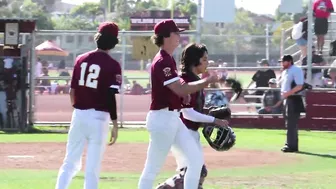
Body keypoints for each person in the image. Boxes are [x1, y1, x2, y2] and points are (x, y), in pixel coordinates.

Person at [138, 19, 219, 189]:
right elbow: (180, 89)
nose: (179, 36)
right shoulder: (162, 60)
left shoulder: (168, 59)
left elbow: (178, 90)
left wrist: (183, 97)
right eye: (176, 33)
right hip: (162, 119)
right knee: (151, 169)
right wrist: (206, 81)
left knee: (196, 162)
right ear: (166, 36)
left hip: (173, 118)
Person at [55, 22, 121, 189]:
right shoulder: (113, 65)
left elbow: (72, 91)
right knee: (92, 169)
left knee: (69, 163)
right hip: (99, 117)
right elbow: (110, 96)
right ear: (114, 42)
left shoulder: (80, 59)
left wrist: (78, 110)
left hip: (79, 114)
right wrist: (114, 122)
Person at [172, 43, 229, 189]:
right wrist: (214, 120)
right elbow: (188, 113)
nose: (207, 62)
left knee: (195, 172)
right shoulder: (187, 81)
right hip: (182, 133)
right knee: (194, 171)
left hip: (189, 133)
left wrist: (207, 112)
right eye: (204, 59)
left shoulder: (194, 80)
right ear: (194, 61)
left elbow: (193, 108)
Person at [277, 55, 305, 153]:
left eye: (283, 62)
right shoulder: (285, 72)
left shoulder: (296, 70)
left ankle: (291, 145)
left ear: (289, 61)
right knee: (288, 123)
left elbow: (299, 86)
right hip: (287, 98)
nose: (282, 64)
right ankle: (290, 144)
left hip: (294, 98)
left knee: (291, 123)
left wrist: (287, 94)